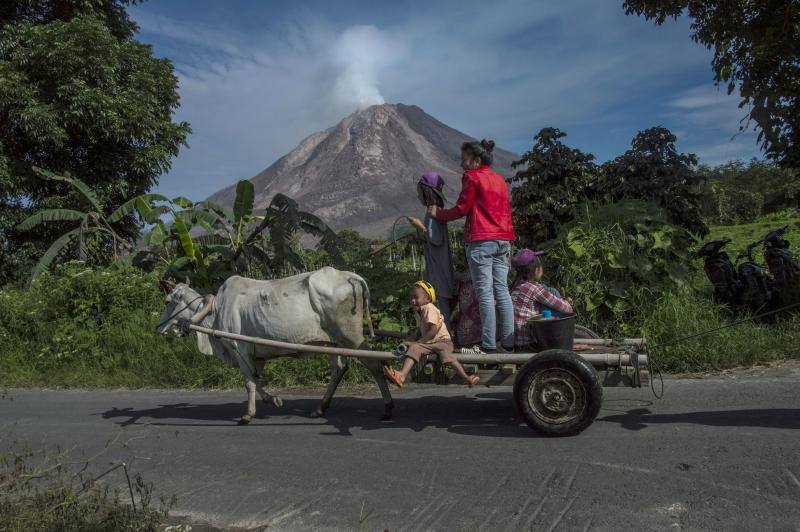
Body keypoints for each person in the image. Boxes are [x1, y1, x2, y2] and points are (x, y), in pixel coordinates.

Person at [430, 139, 515, 355]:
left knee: (485, 294)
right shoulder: (499, 180)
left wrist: (439, 215)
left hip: (481, 241)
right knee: (502, 292)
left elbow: (462, 208)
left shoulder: (472, 177)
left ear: (476, 160)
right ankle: (508, 343)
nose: (462, 164)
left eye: (464, 160)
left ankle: (488, 345)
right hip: (504, 240)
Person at [383, 281, 480, 388]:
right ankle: (402, 376)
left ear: (427, 299)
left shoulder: (429, 308)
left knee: (447, 357)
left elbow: (433, 330)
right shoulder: (419, 312)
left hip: (443, 342)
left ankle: (467, 377)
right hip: (430, 343)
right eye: (411, 298)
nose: (412, 301)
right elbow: (420, 330)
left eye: (416, 297)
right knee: (414, 348)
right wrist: (412, 341)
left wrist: (418, 342)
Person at [408, 172, 455, 330]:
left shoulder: (433, 212)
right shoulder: (435, 210)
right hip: (437, 265)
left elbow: (435, 239)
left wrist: (419, 226)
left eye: (419, 191)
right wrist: (420, 235)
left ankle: (444, 337)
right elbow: (432, 238)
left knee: (441, 303)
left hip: (438, 267)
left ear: (426, 191)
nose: (417, 195)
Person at [510, 249, 574, 349]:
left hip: (515, 340)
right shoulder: (533, 288)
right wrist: (567, 302)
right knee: (553, 293)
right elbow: (567, 309)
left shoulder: (514, 287)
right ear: (536, 270)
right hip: (528, 343)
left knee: (549, 292)